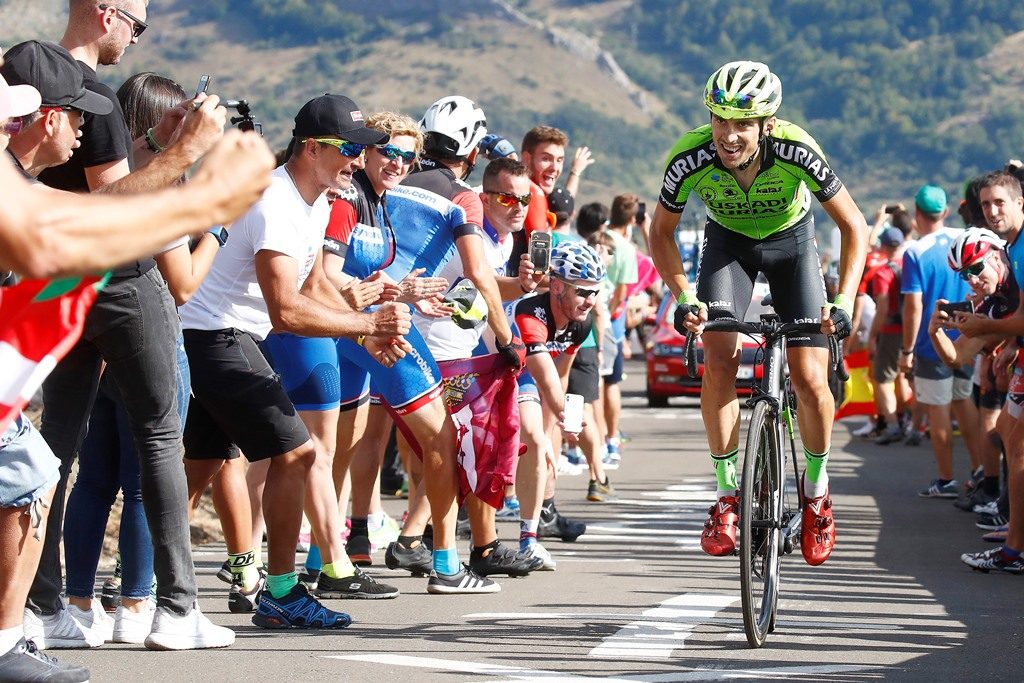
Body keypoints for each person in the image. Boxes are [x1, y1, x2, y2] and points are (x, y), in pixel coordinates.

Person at [179, 93, 410, 628]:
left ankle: (136, 582)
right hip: (215, 337)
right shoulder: (276, 202)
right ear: (311, 149)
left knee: (194, 471)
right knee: (297, 456)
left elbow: (315, 285)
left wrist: (363, 336)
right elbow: (284, 308)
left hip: (233, 337)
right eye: (351, 148)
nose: (359, 159)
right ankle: (281, 593)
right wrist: (368, 325)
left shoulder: (320, 201)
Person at [649, 60, 867, 567]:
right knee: (719, 359)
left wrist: (846, 300)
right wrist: (684, 294)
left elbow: (854, 226)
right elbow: (659, 233)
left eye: (742, 124)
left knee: (812, 378)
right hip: (728, 247)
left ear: (767, 126)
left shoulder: (796, 149)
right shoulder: (691, 155)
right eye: (720, 120)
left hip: (793, 247)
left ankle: (816, 494)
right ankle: (727, 495)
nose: (728, 134)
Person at [952, 172, 1024, 574]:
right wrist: (1008, 343)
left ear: (1020, 204)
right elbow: (958, 357)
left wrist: (988, 330)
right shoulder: (1015, 247)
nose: (993, 211)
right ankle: (1015, 533)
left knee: (1018, 452)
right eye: (985, 206)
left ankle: (1014, 551)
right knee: (1010, 440)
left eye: (1000, 202)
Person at [899, 184, 981, 498]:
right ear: (945, 212)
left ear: (917, 214)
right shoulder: (964, 240)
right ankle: (980, 470)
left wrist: (907, 350)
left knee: (938, 409)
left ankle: (946, 479)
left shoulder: (916, 251)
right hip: (969, 337)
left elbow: (913, 306)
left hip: (932, 345)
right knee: (966, 403)